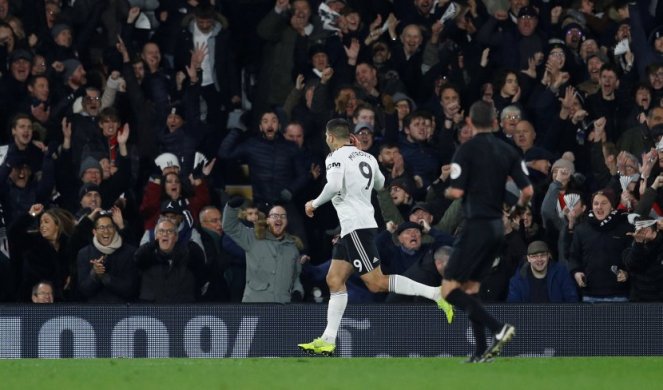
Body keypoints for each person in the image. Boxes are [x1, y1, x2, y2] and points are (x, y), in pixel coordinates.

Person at [298, 118, 448, 356]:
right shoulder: (367, 157)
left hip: (356, 228)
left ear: (329, 137)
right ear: (351, 136)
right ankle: (327, 339)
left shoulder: (335, 157)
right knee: (334, 279)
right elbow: (381, 184)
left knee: (376, 283)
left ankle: (435, 293)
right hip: (353, 229)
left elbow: (335, 185)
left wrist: (313, 203)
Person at [441, 101, 533, 362]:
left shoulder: (465, 151)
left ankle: (498, 328)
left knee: (448, 289)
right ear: (495, 122)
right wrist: (515, 213)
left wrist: (446, 189)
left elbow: (456, 192)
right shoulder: (508, 151)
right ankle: (480, 350)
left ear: (469, 121)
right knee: (470, 289)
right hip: (496, 229)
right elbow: (527, 191)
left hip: (476, 226)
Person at [507, 241, 579, 303]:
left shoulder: (561, 273)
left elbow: (572, 300)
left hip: (557, 317)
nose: (539, 259)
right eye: (534, 256)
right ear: (528, 258)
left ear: (548, 256)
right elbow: (514, 309)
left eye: (542, 255)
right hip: (529, 318)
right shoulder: (517, 280)